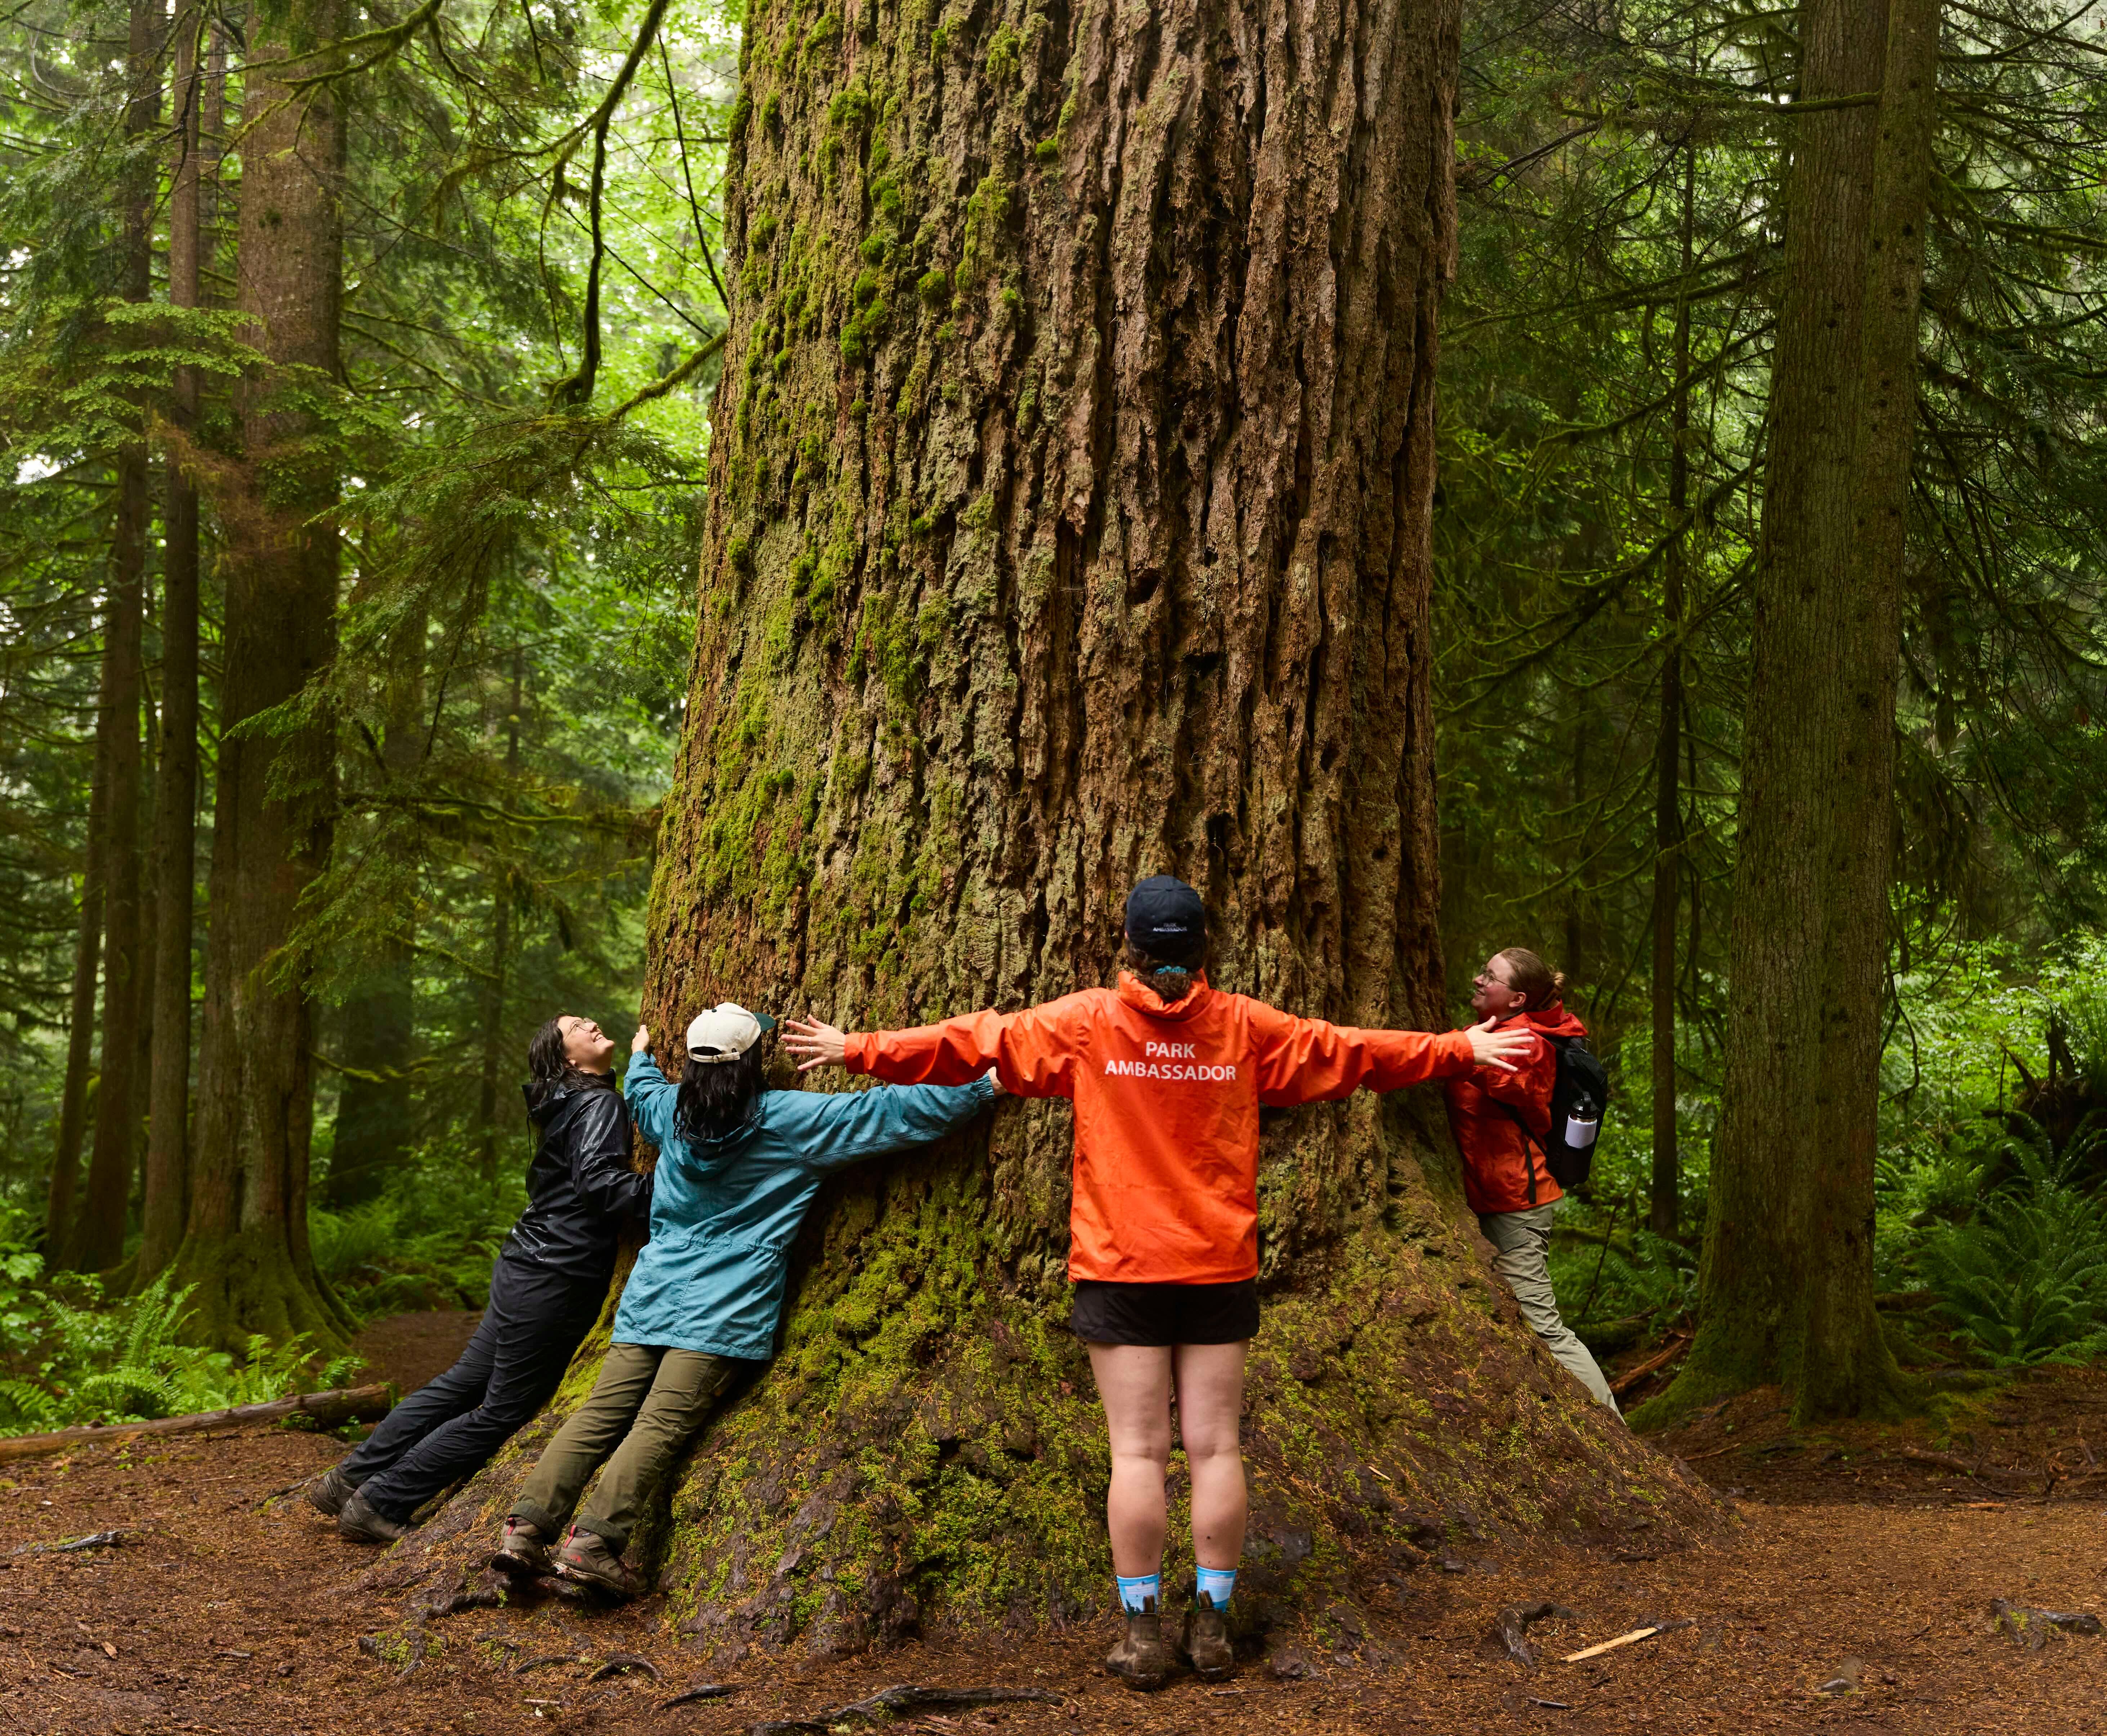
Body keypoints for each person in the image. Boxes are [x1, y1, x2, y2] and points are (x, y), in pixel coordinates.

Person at [783, 875, 1533, 1691]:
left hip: (1122, 1267)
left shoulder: (1085, 1023)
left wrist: (856, 1047)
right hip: (1218, 1266)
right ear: (1204, 947)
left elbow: (976, 1042)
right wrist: (1460, 1047)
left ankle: (1143, 1634)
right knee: (1216, 1446)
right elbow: (1350, 1050)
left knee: (1136, 1450)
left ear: (1131, 948)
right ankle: (1210, 1627)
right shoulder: (1245, 1027)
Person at [491, 1003, 999, 1598]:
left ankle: (525, 1530)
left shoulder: (671, 1109)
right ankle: (594, 1545)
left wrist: (640, 1059)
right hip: (722, 1309)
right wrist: (982, 1087)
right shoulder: (788, 1119)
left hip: (653, 1295)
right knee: (657, 1424)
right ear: (755, 1060)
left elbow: (645, 1095)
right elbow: (886, 1112)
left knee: (600, 1413)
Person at [311, 1013, 651, 1543]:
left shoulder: (566, 1101)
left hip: (526, 1262)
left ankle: (348, 1479)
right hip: (554, 1272)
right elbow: (603, 1187)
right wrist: (681, 1192)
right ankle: (381, 1500)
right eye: (576, 1026)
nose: (591, 1022)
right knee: (503, 1409)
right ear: (567, 1059)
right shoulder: (598, 1102)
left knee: (465, 1383)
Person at [1444, 948, 1619, 1412]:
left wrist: (1447, 1050)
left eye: (1491, 977)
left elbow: (1500, 1079)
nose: (1479, 980)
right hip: (1496, 1196)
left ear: (1518, 999)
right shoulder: (1500, 1032)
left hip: (1518, 1202)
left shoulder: (1525, 1045)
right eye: (1482, 970)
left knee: (1543, 1325)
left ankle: (1615, 1430)